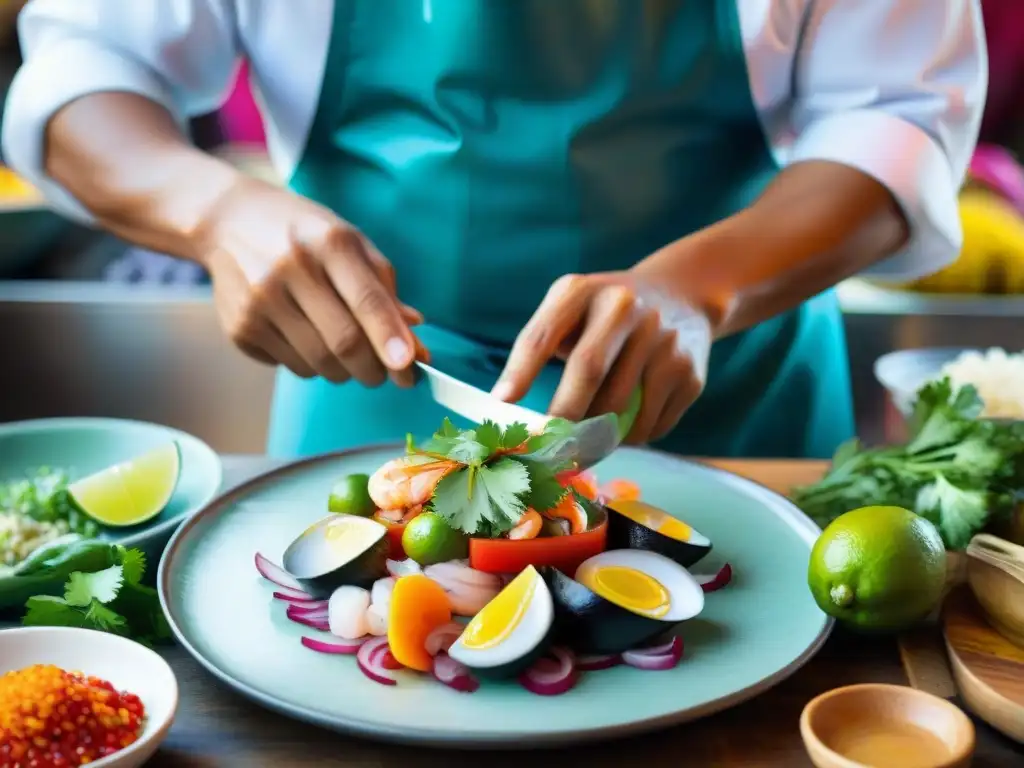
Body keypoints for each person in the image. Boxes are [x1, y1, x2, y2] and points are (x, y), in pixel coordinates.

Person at [2, 1, 987, 460]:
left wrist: (701, 287)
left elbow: (899, 114)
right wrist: (216, 213)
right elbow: (87, 68)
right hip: (369, 394)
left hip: (735, 399)